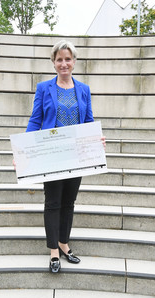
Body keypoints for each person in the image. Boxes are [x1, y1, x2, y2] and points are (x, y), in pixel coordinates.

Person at [25, 40, 97, 273]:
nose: (63, 63)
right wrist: (23, 150)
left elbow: (88, 121)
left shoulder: (83, 89)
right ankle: (53, 251)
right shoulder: (44, 88)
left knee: (69, 202)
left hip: (76, 154)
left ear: (74, 62)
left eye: (68, 59)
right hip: (52, 153)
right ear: (53, 63)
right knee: (53, 202)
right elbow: (36, 120)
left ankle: (64, 243)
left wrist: (96, 140)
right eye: (59, 60)